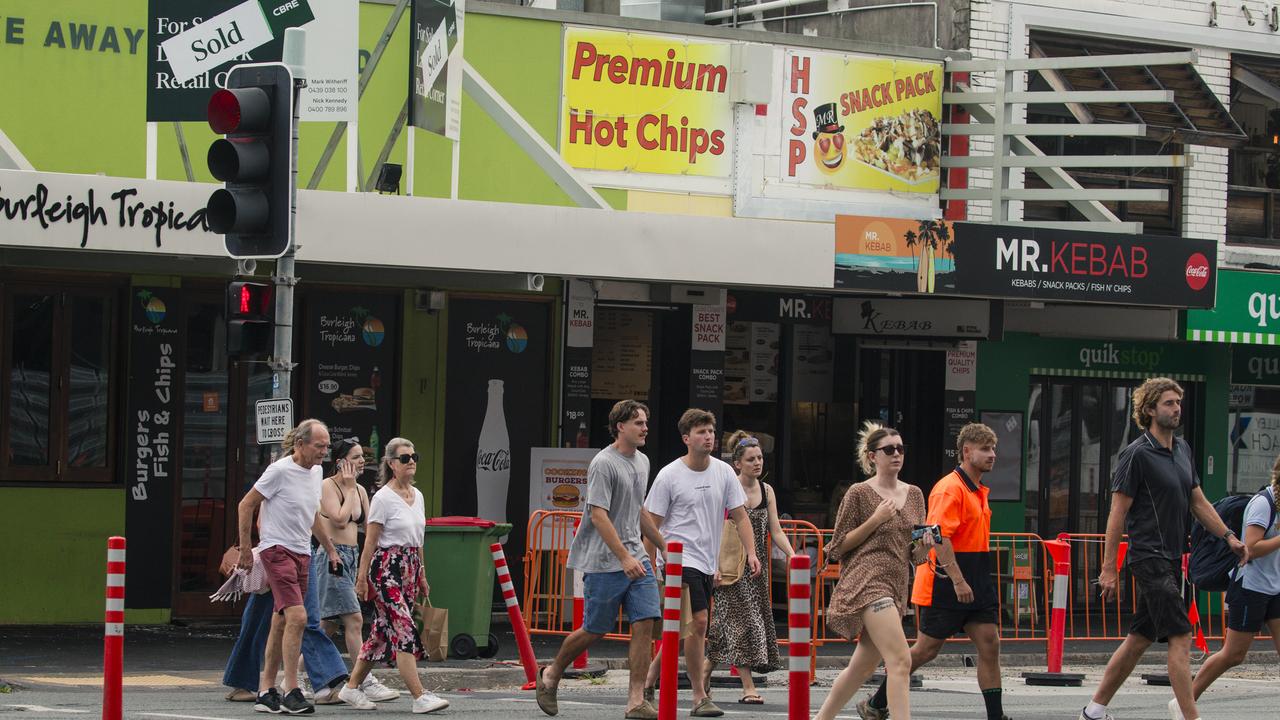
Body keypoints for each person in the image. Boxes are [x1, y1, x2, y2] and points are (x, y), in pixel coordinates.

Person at [1079, 378, 1246, 720]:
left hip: (1171, 558)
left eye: (1178, 402)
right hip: (1148, 555)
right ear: (1150, 409)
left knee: (1139, 638)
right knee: (1181, 635)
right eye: (1169, 403)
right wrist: (1108, 568)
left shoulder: (1182, 449)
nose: (1176, 409)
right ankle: (1189, 716)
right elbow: (1117, 513)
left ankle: (1093, 712)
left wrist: (1228, 535)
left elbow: (1197, 501)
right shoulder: (1136, 454)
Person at [859, 422, 1007, 720]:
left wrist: (971, 582)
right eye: (985, 449)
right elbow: (938, 536)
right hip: (947, 580)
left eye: (993, 449)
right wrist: (958, 580)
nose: (992, 455)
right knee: (926, 650)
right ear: (966, 452)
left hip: (977, 575)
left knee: (990, 644)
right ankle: (876, 703)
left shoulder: (978, 489)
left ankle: (996, 716)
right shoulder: (950, 488)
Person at [536, 400, 667, 720]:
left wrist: (663, 546)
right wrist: (622, 557)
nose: (645, 427)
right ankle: (551, 673)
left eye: (646, 422)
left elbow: (638, 510)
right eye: (638, 422)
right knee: (595, 629)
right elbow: (598, 514)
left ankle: (636, 700)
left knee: (645, 623)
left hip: (637, 558)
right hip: (603, 561)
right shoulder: (603, 463)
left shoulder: (643, 461)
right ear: (620, 426)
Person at [640, 408, 762, 719]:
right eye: (701, 432)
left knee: (684, 628)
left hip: (708, 561)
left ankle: (648, 681)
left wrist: (751, 552)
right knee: (699, 624)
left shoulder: (722, 472)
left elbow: (741, 516)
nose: (708, 437)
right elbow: (650, 525)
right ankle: (698, 695)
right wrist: (649, 565)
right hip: (678, 559)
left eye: (711, 431)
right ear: (686, 439)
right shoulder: (669, 475)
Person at [815, 422, 928, 720]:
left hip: (897, 584)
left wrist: (925, 549)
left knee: (861, 668)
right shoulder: (859, 493)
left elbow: (914, 554)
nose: (896, 454)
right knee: (901, 660)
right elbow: (838, 545)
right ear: (872, 456)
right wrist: (876, 519)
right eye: (888, 449)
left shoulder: (915, 494)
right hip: (867, 581)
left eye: (901, 449)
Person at [235, 418, 342, 714]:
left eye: (326, 446)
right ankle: (290, 690)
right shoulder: (279, 470)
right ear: (300, 444)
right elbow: (246, 504)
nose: (324, 452)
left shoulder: (316, 472)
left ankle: (266, 690)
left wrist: (330, 549)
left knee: (281, 620)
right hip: (276, 549)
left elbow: (312, 516)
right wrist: (245, 549)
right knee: (298, 617)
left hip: (302, 552)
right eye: (319, 446)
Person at [337, 438, 449, 714]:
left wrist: (422, 573)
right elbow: (370, 543)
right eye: (404, 458)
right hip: (386, 568)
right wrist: (361, 578)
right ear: (391, 463)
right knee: (404, 628)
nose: (411, 461)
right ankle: (419, 696)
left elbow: (418, 540)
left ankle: (350, 689)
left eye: (414, 456)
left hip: (409, 566)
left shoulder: (418, 496)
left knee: (380, 634)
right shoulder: (383, 499)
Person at [1181, 453, 1280, 715]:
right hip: (1250, 588)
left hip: (1276, 587)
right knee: (1234, 655)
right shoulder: (1263, 503)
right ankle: (1186, 701)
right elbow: (1252, 548)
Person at [702, 431, 795, 705]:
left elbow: (775, 530)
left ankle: (704, 673)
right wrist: (713, 564)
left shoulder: (767, 491)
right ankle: (747, 686)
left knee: (724, 627)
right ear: (738, 464)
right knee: (742, 624)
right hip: (729, 567)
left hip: (755, 569)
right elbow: (713, 529)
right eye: (751, 459)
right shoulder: (727, 489)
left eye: (760, 458)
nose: (758, 463)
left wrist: (792, 555)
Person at [308, 437, 398, 705]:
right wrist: (347, 488)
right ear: (341, 461)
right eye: (356, 457)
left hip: (352, 556)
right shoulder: (328, 486)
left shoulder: (360, 489)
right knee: (355, 620)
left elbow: (370, 525)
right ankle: (364, 681)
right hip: (332, 556)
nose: (362, 462)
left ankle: (299, 675)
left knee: (327, 627)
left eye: (363, 458)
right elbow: (337, 517)